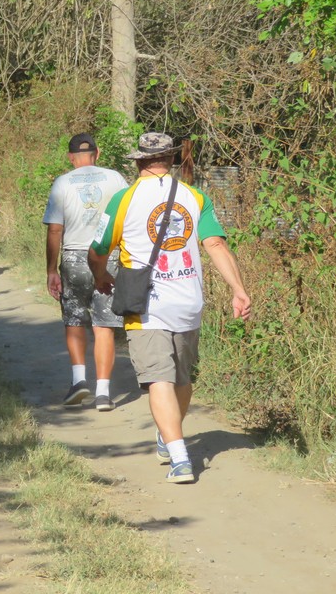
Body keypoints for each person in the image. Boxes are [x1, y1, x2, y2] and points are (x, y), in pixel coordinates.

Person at [88, 133, 251, 484]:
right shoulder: (195, 196)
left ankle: (179, 459)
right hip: (189, 300)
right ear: (172, 159)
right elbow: (215, 244)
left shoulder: (123, 199)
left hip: (146, 303)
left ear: (138, 161)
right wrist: (238, 289)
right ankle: (171, 436)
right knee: (181, 377)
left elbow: (98, 249)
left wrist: (100, 276)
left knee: (158, 378)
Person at [44, 133, 128, 408]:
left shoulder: (62, 183)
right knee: (104, 325)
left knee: (75, 319)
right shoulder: (115, 179)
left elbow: (55, 230)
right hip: (108, 256)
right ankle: (103, 392)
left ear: (71, 157)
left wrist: (51, 270)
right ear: (97, 153)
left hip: (74, 258)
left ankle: (79, 381)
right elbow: (128, 218)